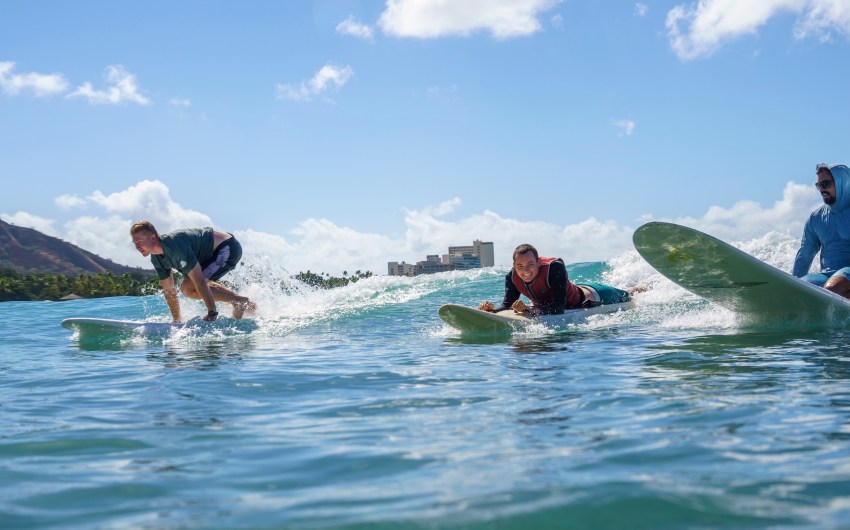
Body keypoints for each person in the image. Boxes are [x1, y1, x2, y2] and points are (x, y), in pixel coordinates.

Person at [130, 221, 256, 322]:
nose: (137, 247)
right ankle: (244, 303)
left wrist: (212, 312)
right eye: (135, 243)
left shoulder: (174, 246)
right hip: (212, 254)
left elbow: (200, 281)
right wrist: (176, 320)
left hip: (227, 248)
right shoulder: (157, 258)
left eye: (140, 242)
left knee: (187, 288)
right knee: (189, 287)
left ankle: (238, 301)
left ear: (153, 238)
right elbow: (169, 291)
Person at [478, 243, 632, 315]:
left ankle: (647, 287)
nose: (525, 271)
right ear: (514, 265)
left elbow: (559, 307)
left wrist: (530, 310)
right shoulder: (512, 277)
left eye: (530, 264)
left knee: (630, 295)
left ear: (538, 262)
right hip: (569, 294)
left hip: (594, 295)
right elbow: (507, 305)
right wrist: (491, 310)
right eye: (520, 266)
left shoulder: (554, 267)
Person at [793, 163, 850, 298]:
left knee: (832, 289)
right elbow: (805, 254)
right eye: (819, 186)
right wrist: (792, 286)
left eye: (825, 184)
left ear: (842, 182)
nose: (821, 190)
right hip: (827, 275)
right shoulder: (816, 218)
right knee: (802, 287)